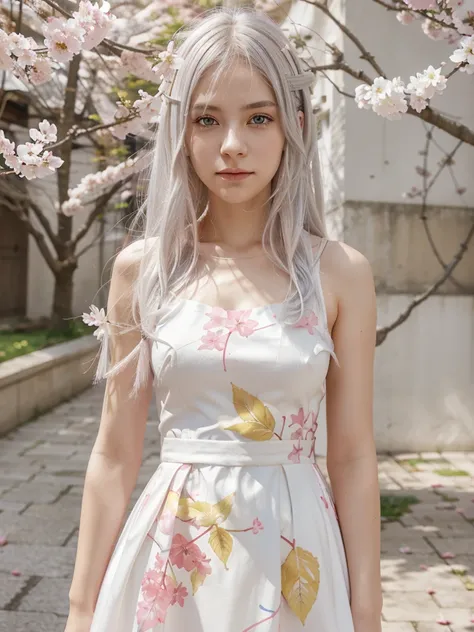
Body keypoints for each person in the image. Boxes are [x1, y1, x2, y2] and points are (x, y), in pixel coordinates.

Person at [65, 7, 382, 632]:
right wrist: (80, 608)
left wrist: (367, 609)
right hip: (175, 547)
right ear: (182, 132)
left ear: (293, 125)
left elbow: (351, 455)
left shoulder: (339, 273)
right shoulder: (144, 270)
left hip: (295, 546)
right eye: (208, 119)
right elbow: (115, 452)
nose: (231, 143)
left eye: (257, 118)